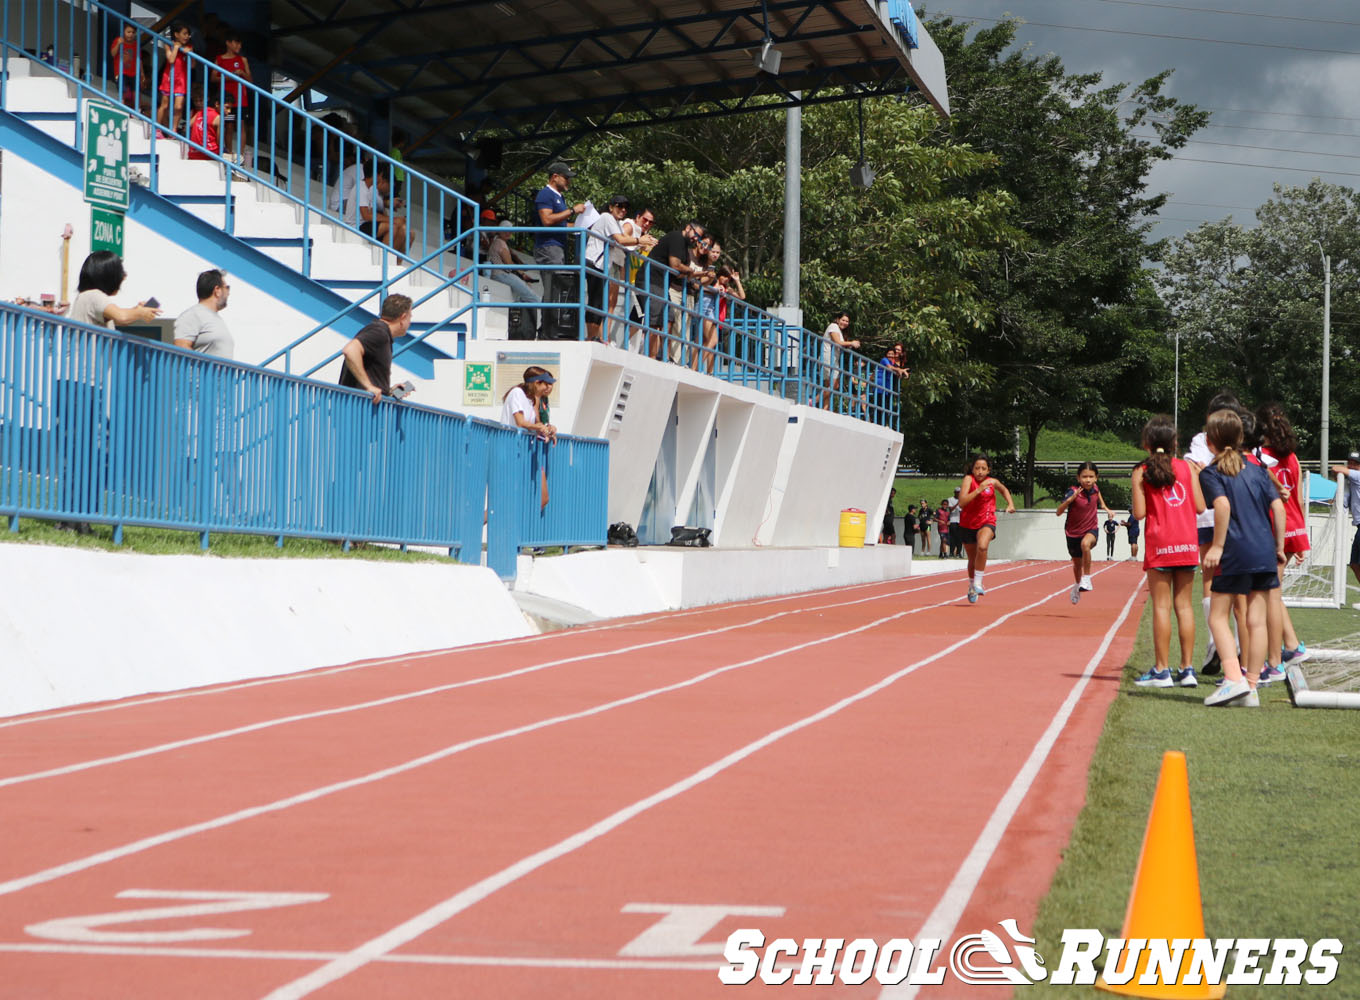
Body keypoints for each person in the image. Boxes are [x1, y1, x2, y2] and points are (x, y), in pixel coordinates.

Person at [1199, 408, 1287, 708]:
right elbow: (1278, 509)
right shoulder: (1259, 471)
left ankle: (1233, 678)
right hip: (1264, 549)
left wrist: (1218, 547)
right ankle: (1251, 687)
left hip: (1236, 550)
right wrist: (1278, 547)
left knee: (1217, 616)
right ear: (1240, 439)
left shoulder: (1211, 472)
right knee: (1256, 621)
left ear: (1210, 442)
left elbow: (1222, 507)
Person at [1130, 414, 1205, 689]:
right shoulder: (1187, 468)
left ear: (1147, 443)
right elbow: (1199, 506)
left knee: (1161, 607)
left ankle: (1162, 670)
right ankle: (1187, 669)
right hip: (1186, 544)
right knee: (1184, 606)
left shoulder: (1141, 471)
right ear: (1174, 442)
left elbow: (1138, 513)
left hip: (1160, 545)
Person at [1186, 390, 1239, 677]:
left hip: (1211, 517)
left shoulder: (1202, 439)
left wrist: (1208, 470)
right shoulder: (1240, 444)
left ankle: (1217, 644)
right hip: (1230, 520)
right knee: (1235, 585)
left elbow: (1197, 468)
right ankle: (1229, 647)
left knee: (1212, 580)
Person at [1256, 403, 1309, 672]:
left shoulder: (1260, 457)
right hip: (1294, 525)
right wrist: (1301, 537)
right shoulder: (1294, 457)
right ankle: (1290, 644)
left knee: (1270, 593)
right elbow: (1298, 498)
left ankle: (1284, 652)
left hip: (1275, 527)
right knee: (1272, 591)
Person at [638, 221, 705, 361]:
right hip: (651, 279)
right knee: (655, 320)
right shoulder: (676, 238)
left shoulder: (685, 249)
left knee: (668, 319)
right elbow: (676, 265)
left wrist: (688, 271)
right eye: (696, 235)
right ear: (688, 228)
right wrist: (689, 270)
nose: (695, 239)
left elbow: (680, 272)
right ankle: (650, 356)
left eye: (698, 238)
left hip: (662, 284)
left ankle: (665, 359)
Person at [584, 195, 645, 343]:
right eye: (619, 206)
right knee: (595, 302)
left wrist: (639, 244)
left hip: (601, 265)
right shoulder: (607, 217)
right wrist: (639, 240)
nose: (623, 210)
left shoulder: (615, 223)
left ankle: (594, 337)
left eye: (625, 208)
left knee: (598, 302)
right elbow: (621, 240)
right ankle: (591, 338)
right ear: (611, 207)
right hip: (594, 262)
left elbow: (621, 244)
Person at [533, 162, 585, 336]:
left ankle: (549, 328)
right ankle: (545, 331)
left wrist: (582, 226)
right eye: (566, 177)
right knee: (552, 288)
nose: (569, 181)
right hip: (548, 247)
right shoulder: (545, 194)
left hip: (557, 247)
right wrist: (572, 210)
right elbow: (547, 220)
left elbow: (561, 223)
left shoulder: (558, 197)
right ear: (555, 176)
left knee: (556, 288)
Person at [1055, 461, 1113, 604]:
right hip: (1072, 533)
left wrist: (1106, 509)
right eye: (1084, 477)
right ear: (1078, 478)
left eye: (1091, 477)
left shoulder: (1095, 489)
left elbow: (1100, 499)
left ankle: (1087, 578)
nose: (1088, 480)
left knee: (1085, 544)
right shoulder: (1072, 491)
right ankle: (1077, 585)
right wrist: (1070, 499)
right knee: (1076, 564)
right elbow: (1058, 512)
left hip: (1090, 529)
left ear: (1096, 478)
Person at [959, 454, 1014, 603]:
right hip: (967, 523)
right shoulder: (968, 480)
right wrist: (978, 490)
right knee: (972, 559)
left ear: (989, 470)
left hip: (987, 520)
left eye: (983, 468)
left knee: (982, 547)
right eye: (977, 468)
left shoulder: (993, 482)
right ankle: (971, 585)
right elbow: (962, 502)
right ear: (972, 469)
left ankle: (978, 582)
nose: (980, 472)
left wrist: (1010, 504)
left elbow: (1004, 490)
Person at [339, 294, 413, 404]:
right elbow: (350, 350)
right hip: (358, 410)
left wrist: (389, 392)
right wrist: (368, 386)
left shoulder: (381, 333)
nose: (410, 322)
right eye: (410, 317)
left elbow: (372, 375)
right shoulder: (379, 332)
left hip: (361, 409)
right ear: (402, 318)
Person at [501, 366, 557, 509]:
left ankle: (524, 527)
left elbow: (537, 423)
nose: (548, 388)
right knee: (505, 499)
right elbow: (520, 422)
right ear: (537, 383)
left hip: (528, 451)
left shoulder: (534, 400)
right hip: (512, 450)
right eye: (546, 384)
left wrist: (549, 429)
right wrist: (538, 427)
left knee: (543, 498)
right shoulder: (517, 393)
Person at [68, 251, 161, 329]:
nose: (124, 277)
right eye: (121, 273)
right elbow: (122, 317)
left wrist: (136, 310)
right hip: (89, 351)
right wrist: (140, 312)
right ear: (109, 276)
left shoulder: (86, 296)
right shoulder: (94, 295)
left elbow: (118, 318)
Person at [172, 269, 234, 358]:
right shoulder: (193, 315)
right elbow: (181, 347)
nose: (228, 293)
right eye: (227, 288)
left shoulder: (216, 318)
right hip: (203, 372)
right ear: (217, 290)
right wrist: (209, 368)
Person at [213, 31, 253, 162]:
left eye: (240, 44)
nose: (239, 46)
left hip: (241, 99)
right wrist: (228, 76)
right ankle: (229, 152)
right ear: (228, 43)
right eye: (236, 43)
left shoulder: (243, 60)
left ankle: (241, 154)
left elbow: (250, 80)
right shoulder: (219, 59)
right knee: (228, 125)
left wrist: (241, 72)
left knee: (241, 125)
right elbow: (213, 77)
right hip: (227, 99)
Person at [1328, 451, 1360, 607]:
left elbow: (1336, 468)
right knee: (1354, 563)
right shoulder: (1350, 482)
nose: (1352, 466)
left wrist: (1341, 472)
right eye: (1350, 463)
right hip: (1359, 526)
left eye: (1355, 463)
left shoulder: (1358, 476)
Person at [154, 22, 193, 135]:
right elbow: (171, 60)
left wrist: (190, 53)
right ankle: (157, 128)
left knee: (179, 106)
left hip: (181, 80)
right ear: (176, 34)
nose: (187, 36)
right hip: (169, 78)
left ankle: (174, 130)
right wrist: (176, 48)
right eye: (184, 34)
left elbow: (193, 65)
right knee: (164, 105)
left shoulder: (189, 47)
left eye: (188, 34)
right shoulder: (168, 44)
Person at [819, 311, 861, 409]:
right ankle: (814, 401)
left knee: (829, 386)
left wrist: (848, 345)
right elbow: (838, 341)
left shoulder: (838, 330)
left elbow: (840, 343)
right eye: (843, 320)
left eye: (847, 321)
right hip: (828, 358)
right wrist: (851, 343)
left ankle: (825, 409)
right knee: (834, 385)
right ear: (838, 320)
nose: (845, 323)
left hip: (833, 359)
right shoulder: (833, 326)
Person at [109, 23, 146, 113]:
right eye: (128, 32)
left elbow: (139, 60)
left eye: (133, 32)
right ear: (123, 32)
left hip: (134, 72)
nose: (130, 34)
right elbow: (113, 54)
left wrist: (142, 73)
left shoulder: (136, 44)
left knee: (136, 92)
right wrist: (118, 44)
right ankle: (121, 107)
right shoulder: (118, 40)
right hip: (121, 71)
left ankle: (137, 110)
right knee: (123, 90)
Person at [186, 94, 220, 161]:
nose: (198, 103)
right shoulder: (217, 117)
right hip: (209, 152)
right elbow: (219, 141)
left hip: (194, 152)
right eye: (196, 101)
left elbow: (188, 125)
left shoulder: (200, 112)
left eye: (201, 101)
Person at [947, 486, 963, 557]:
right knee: (952, 538)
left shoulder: (963, 499)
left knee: (960, 538)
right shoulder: (950, 499)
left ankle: (958, 553)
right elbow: (950, 509)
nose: (958, 494)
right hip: (953, 520)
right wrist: (957, 504)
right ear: (955, 493)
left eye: (959, 493)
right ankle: (951, 552)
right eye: (957, 493)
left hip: (960, 521)